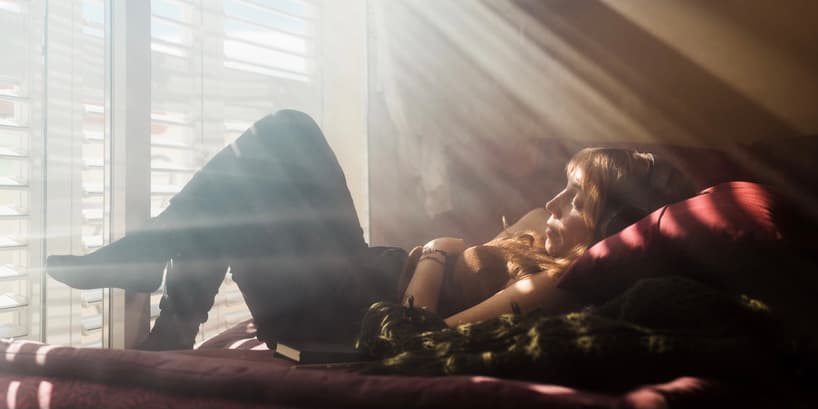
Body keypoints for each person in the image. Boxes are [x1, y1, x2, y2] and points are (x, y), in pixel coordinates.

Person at [46, 110, 695, 350]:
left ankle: (158, 291)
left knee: (281, 138)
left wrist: (439, 252)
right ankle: (169, 327)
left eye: (574, 198)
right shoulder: (538, 241)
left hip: (351, 307)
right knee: (261, 164)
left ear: (610, 223)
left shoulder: (558, 287)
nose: (552, 201)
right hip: (354, 275)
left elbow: (419, 338)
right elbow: (539, 217)